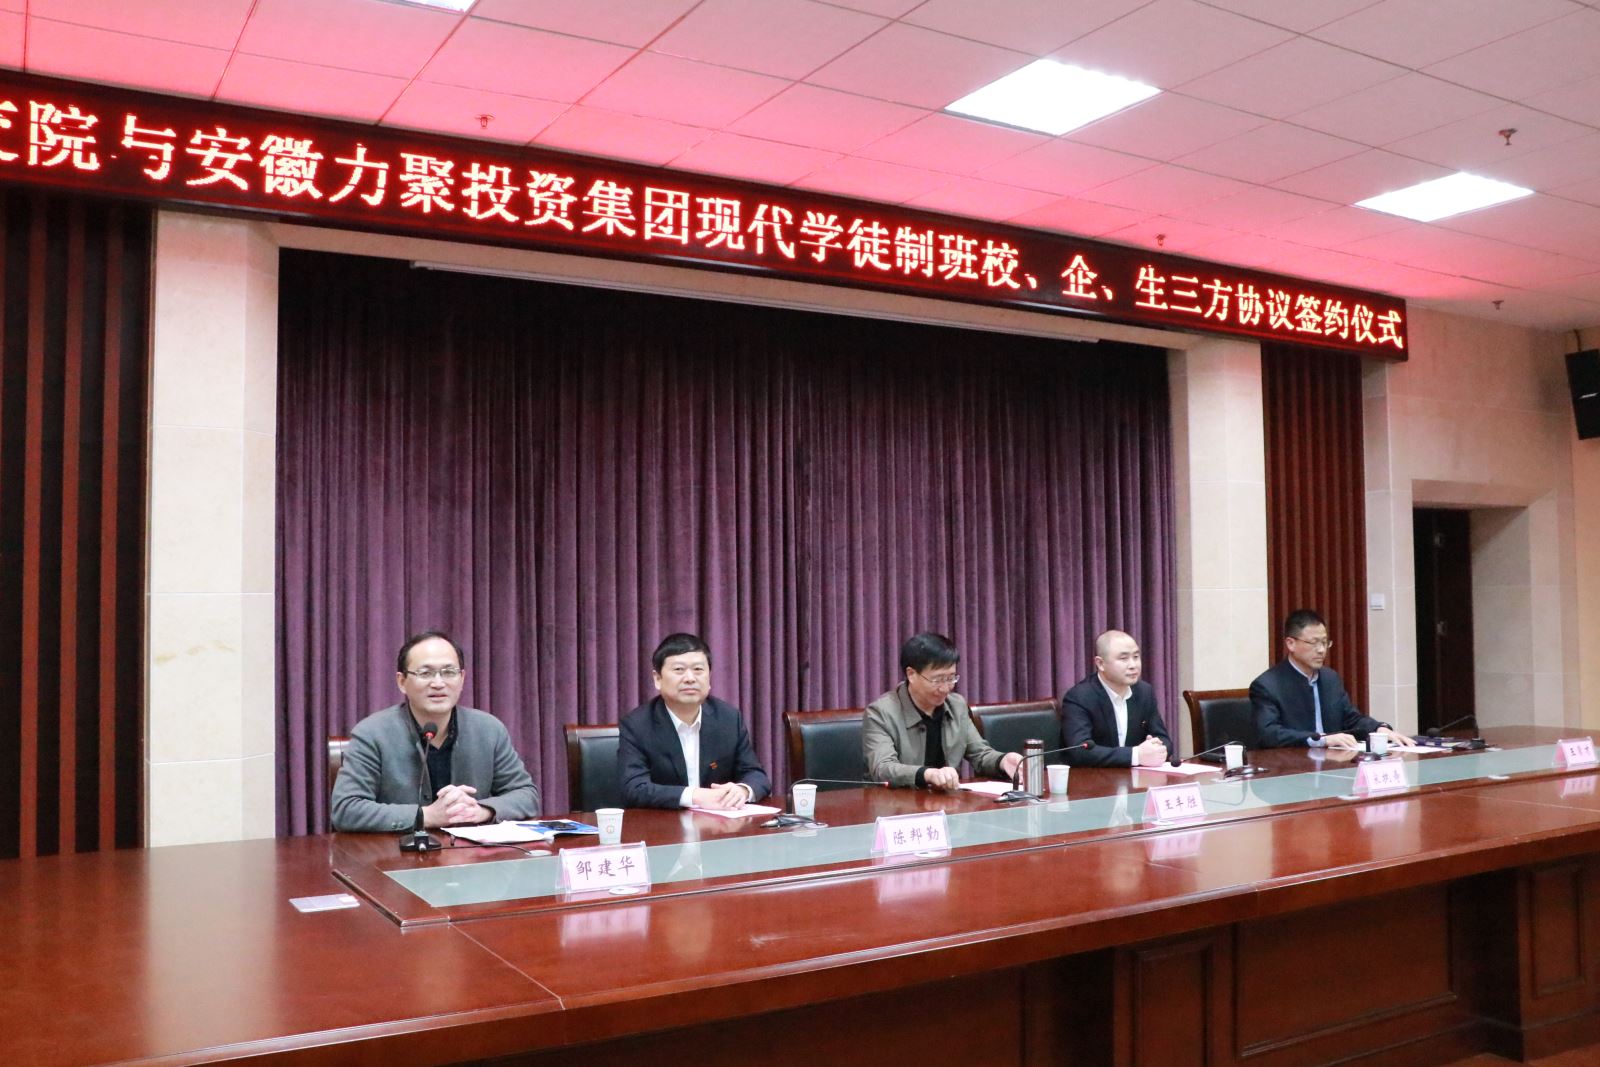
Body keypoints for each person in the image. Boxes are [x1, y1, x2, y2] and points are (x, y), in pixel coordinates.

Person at [331, 630, 540, 832]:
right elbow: (346, 810)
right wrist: (426, 816)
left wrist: (481, 811)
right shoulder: (372, 733)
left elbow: (525, 794)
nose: (438, 683)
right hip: (396, 853)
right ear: (402, 682)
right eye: (425, 673)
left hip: (470, 852)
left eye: (449, 672)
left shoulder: (489, 730)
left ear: (462, 678)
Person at [618, 633, 771, 809]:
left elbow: (756, 775)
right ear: (657, 679)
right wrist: (694, 796)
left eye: (698, 669)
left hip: (720, 823)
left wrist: (742, 790)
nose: (690, 678)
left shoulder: (728, 719)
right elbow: (634, 788)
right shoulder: (637, 725)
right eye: (679, 670)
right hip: (665, 823)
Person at [863, 632, 1022, 789]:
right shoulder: (881, 713)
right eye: (937, 680)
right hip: (896, 802)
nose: (946, 688)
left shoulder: (956, 706)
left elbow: (980, 754)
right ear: (911, 674)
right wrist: (928, 774)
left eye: (951, 678)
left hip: (946, 801)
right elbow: (882, 769)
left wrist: (1002, 761)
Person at [1252, 609, 1413, 749]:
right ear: (1290, 644)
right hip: (1292, 766)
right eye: (1314, 643)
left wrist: (1379, 729)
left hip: (1334, 762)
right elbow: (1269, 734)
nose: (1321, 650)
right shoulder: (1268, 685)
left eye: (1324, 642)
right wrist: (1321, 740)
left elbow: (1351, 719)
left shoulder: (1330, 678)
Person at [1060, 629, 1173, 767]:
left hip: (1136, 777)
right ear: (1100, 664)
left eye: (1136, 656)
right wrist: (1136, 755)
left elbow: (1164, 739)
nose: (1133, 665)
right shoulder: (1080, 697)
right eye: (1124, 659)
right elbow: (1079, 750)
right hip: (1094, 778)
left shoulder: (1144, 692)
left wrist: (1157, 749)